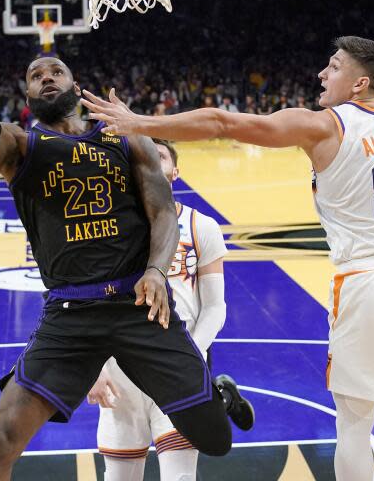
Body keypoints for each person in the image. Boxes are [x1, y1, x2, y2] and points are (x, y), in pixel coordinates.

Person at [0, 0, 244, 481]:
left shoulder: (126, 139)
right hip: (70, 314)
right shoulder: (21, 148)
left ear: (76, 85)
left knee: (216, 439)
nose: (47, 76)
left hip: (139, 306)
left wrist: (159, 272)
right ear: (28, 95)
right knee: (2, 438)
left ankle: (220, 393)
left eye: (56, 70)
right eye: (36, 75)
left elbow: (163, 211)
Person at [82, 35, 374, 481]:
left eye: (333, 66)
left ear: (359, 82)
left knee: (354, 421)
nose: (322, 74)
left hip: (368, 279)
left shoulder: (325, 125)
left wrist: (139, 122)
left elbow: (220, 122)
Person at [88, 139, 254, 481]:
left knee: (179, 477)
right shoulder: (105, 230)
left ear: (175, 172)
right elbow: (90, 307)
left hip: (177, 366)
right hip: (121, 370)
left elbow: (215, 307)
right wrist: (93, 368)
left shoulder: (200, 226)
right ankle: (220, 395)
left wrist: (185, 356)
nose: (148, 160)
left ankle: (215, 393)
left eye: (159, 155)